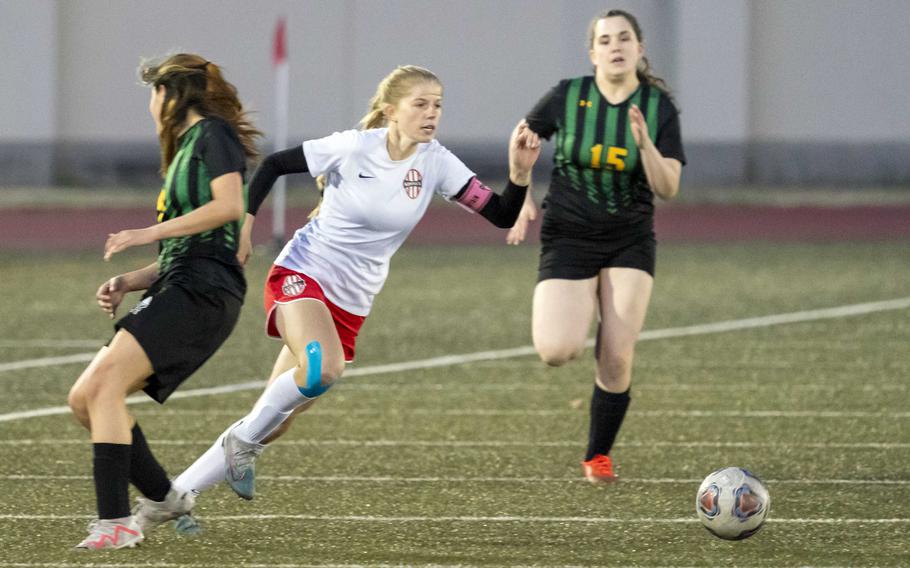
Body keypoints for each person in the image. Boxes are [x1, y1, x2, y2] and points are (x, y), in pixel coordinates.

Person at [131, 64, 541, 533]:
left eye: (438, 105)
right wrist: (245, 223)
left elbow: (503, 214)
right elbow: (272, 165)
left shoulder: (437, 162)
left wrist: (519, 173)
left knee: (273, 418)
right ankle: (239, 446)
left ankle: (172, 498)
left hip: (351, 304)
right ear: (391, 110)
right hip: (303, 274)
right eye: (421, 104)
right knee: (323, 370)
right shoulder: (353, 146)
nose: (432, 114)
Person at [66, 53, 261, 549]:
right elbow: (186, 249)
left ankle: (116, 524)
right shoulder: (187, 149)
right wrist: (132, 280)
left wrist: (143, 232)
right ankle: (163, 497)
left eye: (154, 93)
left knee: (106, 386)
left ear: (171, 94)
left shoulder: (212, 134)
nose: (151, 106)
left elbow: (229, 207)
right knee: (84, 398)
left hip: (203, 292)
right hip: (186, 282)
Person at [507, 10, 685, 484]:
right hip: (569, 234)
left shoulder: (657, 106)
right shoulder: (568, 96)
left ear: (639, 49)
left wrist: (645, 144)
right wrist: (520, 186)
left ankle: (597, 455)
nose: (615, 46)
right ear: (593, 53)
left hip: (629, 239)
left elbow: (669, 187)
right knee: (556, 349)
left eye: (624, 38)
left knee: (617, 355)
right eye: (605, 40)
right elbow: (523, 135)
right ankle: (581, 308)